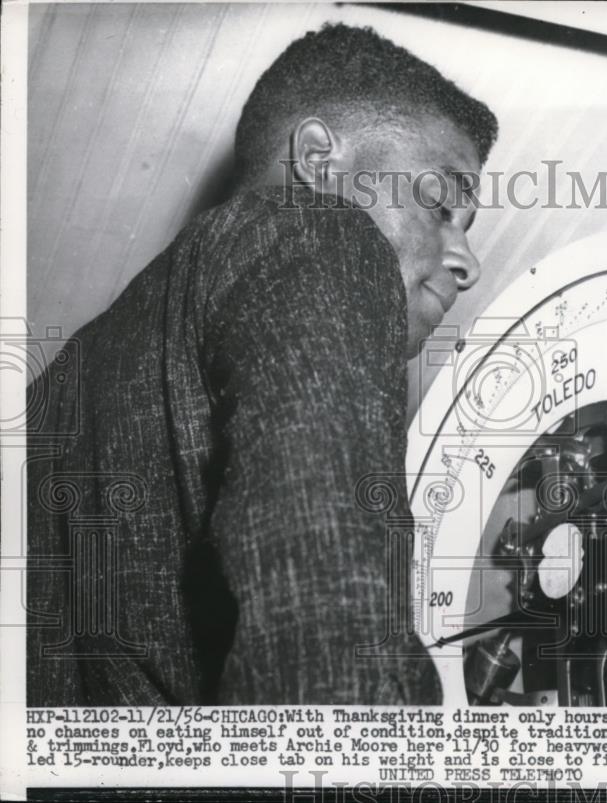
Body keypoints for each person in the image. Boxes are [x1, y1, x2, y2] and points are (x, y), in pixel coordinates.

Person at [26, 23, 497, 706]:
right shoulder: (327, 231)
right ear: (318, 160)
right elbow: (330, 621)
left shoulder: (66, 385)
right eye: (439, 203)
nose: (467, 261)